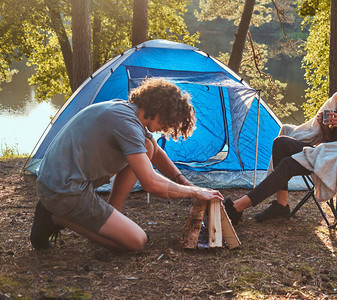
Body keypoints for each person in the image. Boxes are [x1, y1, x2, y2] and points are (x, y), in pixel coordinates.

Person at [30, 78, 223, 251]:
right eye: (167, 120)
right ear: (158, 109)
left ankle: (112, 216)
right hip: (64, 191)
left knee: (147, 147)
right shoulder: (128, 125)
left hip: (60, 180)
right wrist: (194, 193)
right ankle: (53, 217)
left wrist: (189, 185)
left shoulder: (126, 111)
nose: (166, 127)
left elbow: (156, 154)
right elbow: (151, 184)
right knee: (136, 242)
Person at [224, 55, 337, 225]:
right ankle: (281, 205)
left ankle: (238, 207)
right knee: (281, 142)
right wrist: (323, 125)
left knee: (289, 164)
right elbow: (327, 138)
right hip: (327, 149)